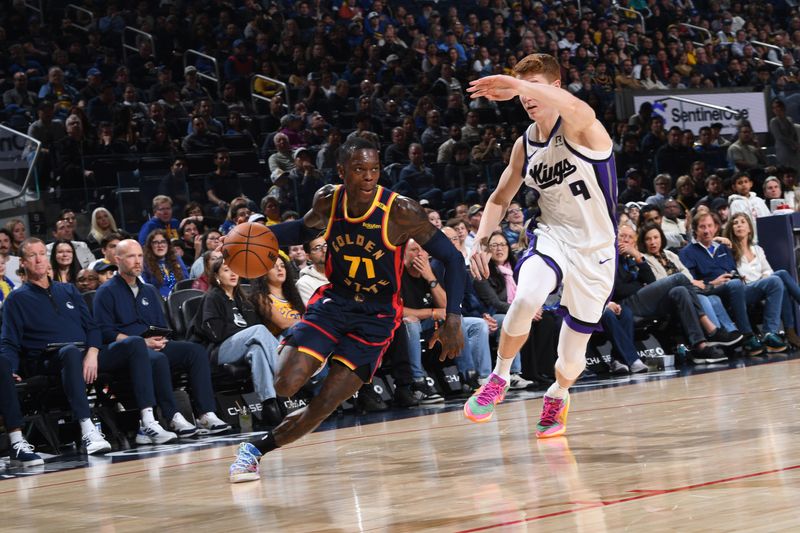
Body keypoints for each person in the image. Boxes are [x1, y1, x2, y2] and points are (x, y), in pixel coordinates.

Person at [228, 138, 465, 482]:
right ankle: (315, 351)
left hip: (378, 318)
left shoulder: (401, 211)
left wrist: (453, 317)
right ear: (341, 171)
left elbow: (453, 258)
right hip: (335, 302)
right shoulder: (329, 199)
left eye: (374, 170)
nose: (369, 177)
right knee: (285, 384)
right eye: (359, 170)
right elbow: (301, 229)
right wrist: (255, 236)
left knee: (324, 406)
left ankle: (254, 451)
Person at [463, 54, 617, 436]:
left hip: (596, 250)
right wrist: (479, 239)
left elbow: (578, 107)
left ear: (556, 88)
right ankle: (498, 377)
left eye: (534, 87)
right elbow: (499, 198)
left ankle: (558, 393)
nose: (526, 97)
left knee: (571, 360)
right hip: (552, 236)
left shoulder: (583, 126)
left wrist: (515, 83)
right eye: (522, 90)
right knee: (527, 296)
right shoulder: (525, 145)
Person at [1, 238, 175, 454]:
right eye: (31, 256)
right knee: (70, 352)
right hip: (49, 358)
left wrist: (93, 352)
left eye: (41, 254)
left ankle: (148, 421)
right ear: (23, 263)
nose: (38, 259)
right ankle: (87, 430)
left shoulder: (68, 291)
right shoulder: (16, 299)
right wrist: (10, 369)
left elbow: (93, 328)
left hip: (86, 354)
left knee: (135, 343)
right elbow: (9, 341)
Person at [94, 239, 230, 437]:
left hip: (153, 345)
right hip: (126, 350)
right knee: (158, 359)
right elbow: (105, 331)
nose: (137, 261)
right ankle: (172, 416)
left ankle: (205, 413)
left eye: (140, 256)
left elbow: (162, 325)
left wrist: (160, 340)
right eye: (131, 256)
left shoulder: (149, 290)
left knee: (195, 351)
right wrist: (142, 343)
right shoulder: (105, 292)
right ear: (117, 259)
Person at [192, 257, 283, 427]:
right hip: (219, 350)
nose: (232, 273)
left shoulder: (243, 299)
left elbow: (253, 328)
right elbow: (215, 333)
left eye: (234, 270)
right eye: (226, 270)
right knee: (260, 331)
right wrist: (245, 334)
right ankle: (284, 372)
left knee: (257, 350)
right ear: (217, 276)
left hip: (244, 347)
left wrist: (247, 335)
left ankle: (269, 404)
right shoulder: (212, 298)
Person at [679, 212, 786, 355]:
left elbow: (733, 270)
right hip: (711, 291)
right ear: (695, 230)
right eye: (702, 227)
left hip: (735, 289)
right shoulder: (687, 252)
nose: (706, 230)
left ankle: (769, 333)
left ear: (716, 227)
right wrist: (712, 282)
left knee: (775, 281)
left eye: (710, 226)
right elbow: (692, 283)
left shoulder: (722, 247)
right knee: (735, 284)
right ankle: (747, 335)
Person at [724, 213, 800, 347]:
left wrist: (764, 280)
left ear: (749, 229)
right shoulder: (729, 249)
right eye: (735, 223)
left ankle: (789, 332)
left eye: (743, 222)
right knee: (779, 277)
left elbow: (767, 270)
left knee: (780, 279)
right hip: (743, 290)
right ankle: (785, 331)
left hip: (762, 286)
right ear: (731, 229)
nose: (739, 225)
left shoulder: (757, 249)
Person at [142, 229, 189, 299]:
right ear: (150, 246)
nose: (160, 245)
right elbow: (146, 289)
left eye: (163, 242)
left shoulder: (176, 259)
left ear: (168, 244)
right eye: (155, 242)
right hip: (159, 301)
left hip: (180, 298)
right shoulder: (145, 264)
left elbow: (186, 281)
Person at [295, 237, 329, 305]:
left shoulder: (342, 272)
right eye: (317, 248)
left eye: (326, 245)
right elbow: (317, 311)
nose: (324, 250)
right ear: (308, 257)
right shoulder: (304, 283)